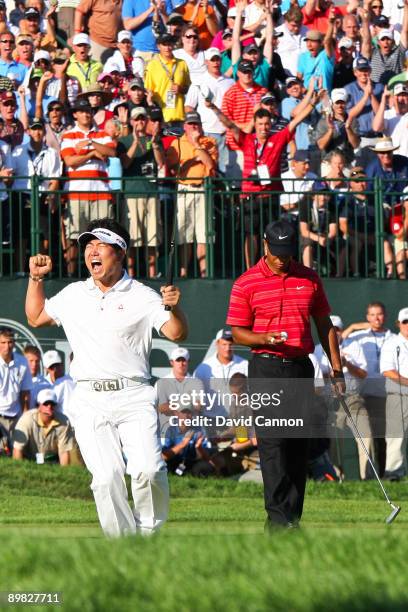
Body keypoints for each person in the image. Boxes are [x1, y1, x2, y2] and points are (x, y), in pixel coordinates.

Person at [25, 217, 188, 537]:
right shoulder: (74, 294)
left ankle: (148, 539)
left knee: (148, 470)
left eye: (101, 245)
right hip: (89, 399)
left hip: (135, 395)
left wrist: (175, 308)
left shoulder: (142, 295)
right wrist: (35, 278)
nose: (92, 252)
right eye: (88, 245)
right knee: (106, 477)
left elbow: (177, 333)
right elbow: (35, 316)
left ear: (121, 253)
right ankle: (122, 546)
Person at [226, 219, 344, 529]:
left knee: (296, 445)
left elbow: (324, 324)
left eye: (288, 253)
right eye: (277, 252)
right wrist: (263, 338)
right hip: (266, 367)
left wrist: (337, 368)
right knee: (273, 443)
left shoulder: (309, 278)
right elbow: (237, 332)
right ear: (265, 246)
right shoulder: (246, 282)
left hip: (300, 368)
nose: (282, 258)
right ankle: (278, 521)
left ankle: (291, 517)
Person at [313, 315, 375, 480]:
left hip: (353, 398)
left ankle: (366, 477)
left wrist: (346, 364)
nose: (334, 332)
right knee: (333, 441)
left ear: (341, 331)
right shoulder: (317, 350)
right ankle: (337, 477)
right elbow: (316, 379)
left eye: (337, 329)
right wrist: (333, 371)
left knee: (365, 435)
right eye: (330, 329)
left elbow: (363, 374)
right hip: (329, 400)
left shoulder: (354, 346)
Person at [342, 301, 392, 477]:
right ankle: (368, 477)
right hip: (362, 394)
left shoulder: (393, 338)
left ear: (385, 316)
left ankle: (386, 474)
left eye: (379, 314)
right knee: (367, 437)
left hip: (383, 394)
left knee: (383, 438)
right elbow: (338, 340)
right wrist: (353, 327)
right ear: (366, 317)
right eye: (372, 315)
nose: (376, 318)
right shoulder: (358, 336)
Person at [165, 110, 218, 278]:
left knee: (204, 234)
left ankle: (205, 273)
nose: (194, 126)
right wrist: (195, 158)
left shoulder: (209, 141)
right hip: (184, 189)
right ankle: (183, 272)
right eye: (191, 123)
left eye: (197, 123)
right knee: (183, 234)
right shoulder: (177, 143)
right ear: (184, 126)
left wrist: (197, 144)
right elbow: (173, 167)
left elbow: (209, 163)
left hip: (203, 189)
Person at [193, 328, 248, 420]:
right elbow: (196, 398)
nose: (227, 348)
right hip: (212, 421)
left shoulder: (244, 365)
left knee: (242, 435)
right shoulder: (203, 369)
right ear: (217, 344)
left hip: (239, 420)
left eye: (230, 344)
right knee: (215, 435)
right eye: (224, 344)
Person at [380, 307, 408, 479]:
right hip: (398, 396)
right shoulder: (391, 343)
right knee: (396, 437)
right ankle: (394, 476)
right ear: (399, 324)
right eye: (406, 322)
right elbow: (387, 371)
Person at [12, 387, 73, 464]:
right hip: (28, 460)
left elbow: (64, 452)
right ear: (38, 406)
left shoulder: (64, 422)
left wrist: (64, 474)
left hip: (52, 461)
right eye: (46, 404)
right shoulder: (26, 419)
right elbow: (17, 449)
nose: (49, 407)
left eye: (52, 404)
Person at [0, 326, 32, 448]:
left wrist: (25, 417)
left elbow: (25, 393)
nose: (6, 346)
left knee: (17, 452)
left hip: (16, 416)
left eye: (10, 342)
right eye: (3, 342)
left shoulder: (22, 362)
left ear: (14, 343)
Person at [23, 344, 51, 409]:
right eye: (31, 361)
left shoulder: (45, 384)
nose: (34, 364)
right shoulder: (16, 380)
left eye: (37, 361)